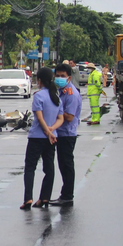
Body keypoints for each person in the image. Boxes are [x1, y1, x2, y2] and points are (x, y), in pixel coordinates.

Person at [21, 67, 64, 210]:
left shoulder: (39, 96)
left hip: (37, 137)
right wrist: (52, 130)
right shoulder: (56, 97)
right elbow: (60, 119)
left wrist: (47, 131)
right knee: (49, 168)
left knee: (30, 168)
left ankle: (28, 198)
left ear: (39, 81)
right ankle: (45, 197)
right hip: (51, 139)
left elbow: (39, 118)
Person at [50, 63, 82, 207]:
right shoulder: (61, 91)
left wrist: (53, 115)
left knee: (66, 165)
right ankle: (65, 194)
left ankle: (67, 196)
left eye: (62, 76)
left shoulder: (71, 94)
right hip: (60, 133)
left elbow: (69, 117)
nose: (59, 78)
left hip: (67, 134)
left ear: (69, 78)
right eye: (57, 76)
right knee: (63, 165)